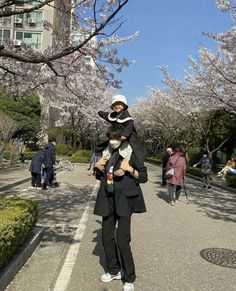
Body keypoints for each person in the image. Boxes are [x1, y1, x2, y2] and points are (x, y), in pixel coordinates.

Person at [93, 124, 148, 291]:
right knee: (106, 237)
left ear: (123, 138)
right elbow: (100, 176)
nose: (113, 141)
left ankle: (129, 277)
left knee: (122, 240)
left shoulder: (131, 153)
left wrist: (129, 169)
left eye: (116, 137)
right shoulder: (106, 153)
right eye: (110, 137)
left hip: (124, 201)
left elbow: (144, 177)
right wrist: (98, 168)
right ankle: (113, 270)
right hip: (107, 199)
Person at [98, 94, 146, 171]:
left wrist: (124, 136)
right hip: (115, 136)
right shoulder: (113, 115)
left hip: (127, 138)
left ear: (124, 106)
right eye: (115, 105)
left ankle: (123, 168)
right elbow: (107, 116)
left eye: (119, 104)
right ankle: (101, 163)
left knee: (127, 151)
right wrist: (100, 113)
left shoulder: (127, 118)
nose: (117, 106)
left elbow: (129, 127)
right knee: (108, 148)